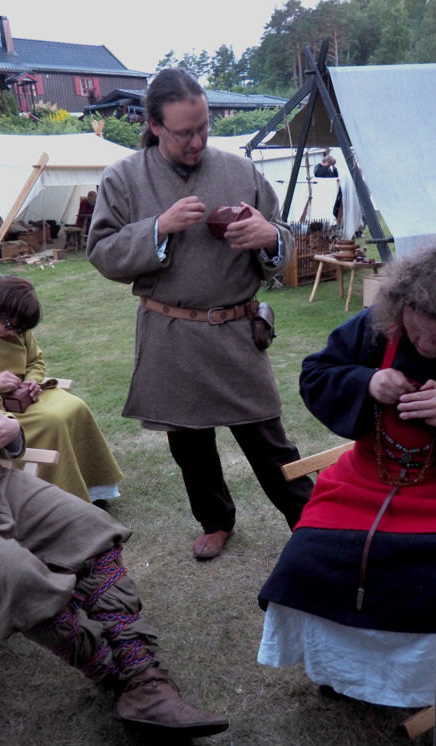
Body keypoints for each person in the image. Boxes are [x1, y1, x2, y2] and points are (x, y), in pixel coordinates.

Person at [0, 265, 228, 737]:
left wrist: (8, 429)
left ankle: (144, 676)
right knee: (11, 575)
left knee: (89, 529)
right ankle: (115, 674)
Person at [87, 68, 313, 561]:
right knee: (190, 446)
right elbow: (101, 252)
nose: (197, 141)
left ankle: (313, 526)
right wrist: (158, 229)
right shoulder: (124, 178)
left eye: (204, 127)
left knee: (269, 441)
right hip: (171, 335)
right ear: (153, 125)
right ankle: (216, 521)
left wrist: (270, 240)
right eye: (184, 132)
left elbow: (283, 234)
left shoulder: (239, 170)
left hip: (235, 331)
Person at [257, 241, 436, 708]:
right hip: (365, 476)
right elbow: (315, 374)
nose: (426, 345)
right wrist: (366, 382)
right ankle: (339, 672)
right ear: (402, 307)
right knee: (310, 559)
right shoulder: (380, 327)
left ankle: (424, 684)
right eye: (417, 331)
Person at [0, 276, 123, 505]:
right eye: (9, 326)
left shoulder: (17, 327)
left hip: (24, 395)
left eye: (19, 329)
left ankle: (96, 488)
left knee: (76, 407)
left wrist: (32, 381)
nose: (13, 333)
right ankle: (65, 500)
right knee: (53, 421)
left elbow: (36, 361)